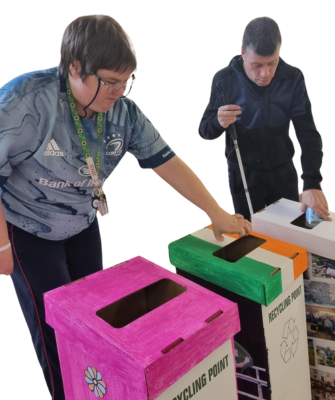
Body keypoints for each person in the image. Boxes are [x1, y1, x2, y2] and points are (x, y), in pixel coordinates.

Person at [0, 14, 251, 400]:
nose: (119, 92)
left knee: (98, 319)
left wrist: (216, 213)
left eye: (126, 82)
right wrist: (1, 245)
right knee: (54, 328)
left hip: (82, 221)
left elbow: (169, 162)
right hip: (27, 229)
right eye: (110, 82)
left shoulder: (124, 112)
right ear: (75, 67)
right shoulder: (24, 100)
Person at [198, 16, 331, 222]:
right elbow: (205, 130)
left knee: (291, 232)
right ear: (242, 52)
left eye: (272, 63)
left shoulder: (293, 78)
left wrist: (312, 182)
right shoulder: (223, 81)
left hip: (283, 169)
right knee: (252, 235)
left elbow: (307, 132)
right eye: (257, 65)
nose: (265, 73)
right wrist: (218, 122)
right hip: (243, 173)